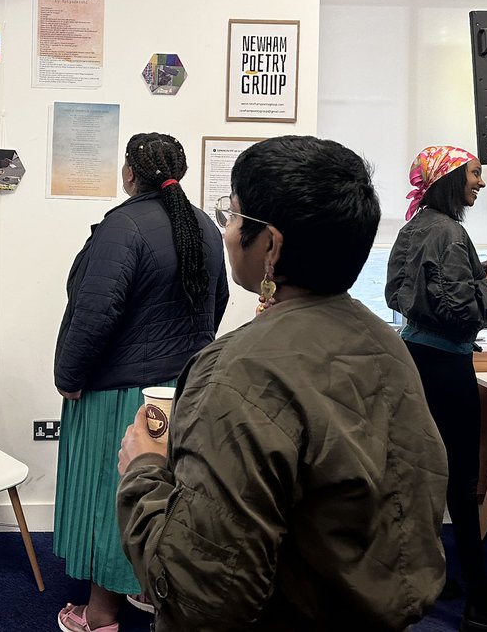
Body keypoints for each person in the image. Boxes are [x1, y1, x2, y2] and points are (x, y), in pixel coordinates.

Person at [117, 135, 447, 631]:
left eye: (232, 217)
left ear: (270, 244)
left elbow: (202, 596)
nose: (226, 232)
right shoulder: (386, 343)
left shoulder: (237, 371)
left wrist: (142, 470)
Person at [53, 132, 229, 632]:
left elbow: (94, 314)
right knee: (164, 494)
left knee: (118, 496)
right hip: (183, 390)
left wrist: (68, 376)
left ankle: (99, 616)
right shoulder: (205, 228)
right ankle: (149, 590)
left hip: (121, 394)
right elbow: (215, 304)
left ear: (130, 172)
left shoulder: (123, 226)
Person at [385, 145, 487, 632]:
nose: (482, 183)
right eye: (475, 173)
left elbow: (400, 294)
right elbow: (462, 313)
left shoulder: (413, 227)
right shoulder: (450, 233)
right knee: (461, 482)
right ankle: (482, 604)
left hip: (414, 358)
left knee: (421, 474)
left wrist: (474, 279)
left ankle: (429, 577)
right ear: (450, 179)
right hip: (446, 365)